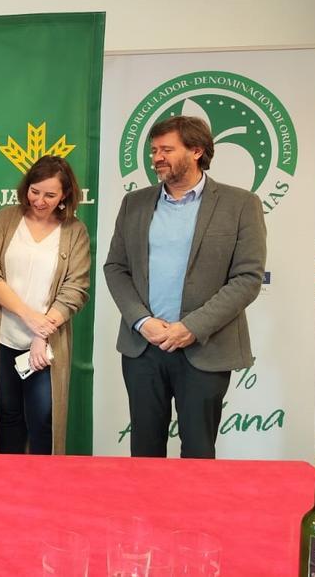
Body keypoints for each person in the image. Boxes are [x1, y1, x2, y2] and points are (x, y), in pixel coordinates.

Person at [104, 115, 266, 459]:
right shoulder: (134, 204)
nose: (156, 157)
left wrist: (190, 328)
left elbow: (247, 278)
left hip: (205, 350)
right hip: (143, 348)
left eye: (166, 149)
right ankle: (147, 513)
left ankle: (194, 514)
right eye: (153, 150)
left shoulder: (240, 204)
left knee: (198, 452)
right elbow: (116, 267)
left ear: (196, 150)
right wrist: (141, 321)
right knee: (144, 452)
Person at [0, 156, 90, 455]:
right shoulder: (7, 219)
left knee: (44, 417)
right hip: (1, 336)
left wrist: (42, 331)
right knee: (6, 416)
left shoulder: (75, 231)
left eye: (50, 195)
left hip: (46, 343)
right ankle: (7, 484)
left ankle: (44, 486)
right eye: (35, 191)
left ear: (65, 195)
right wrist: (28, 316)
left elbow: (76, 289)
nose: (40, 200)